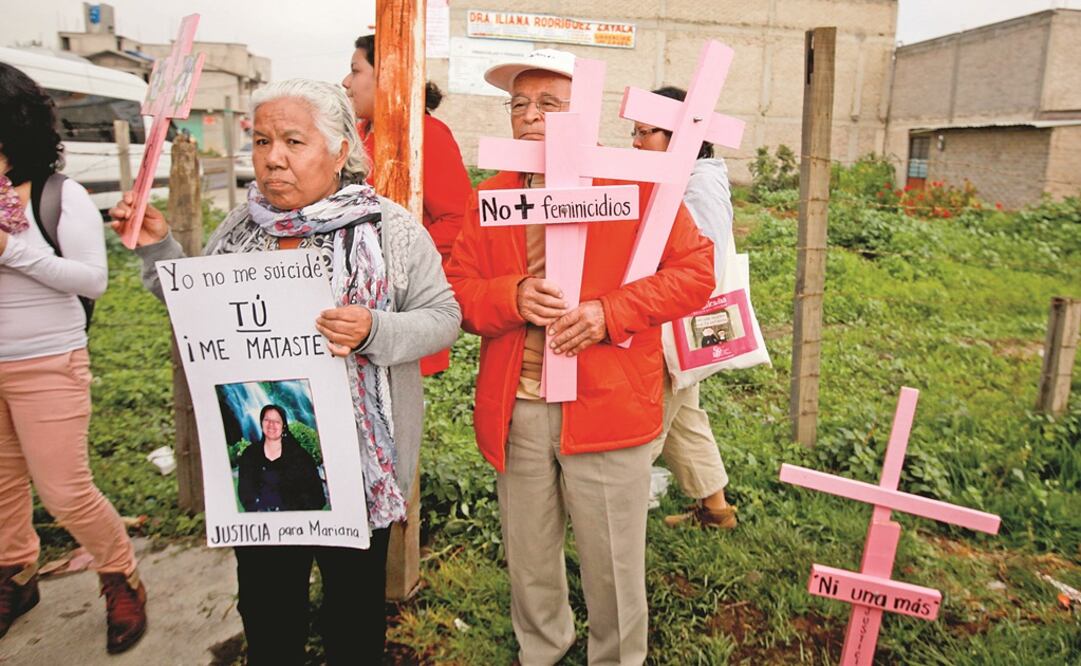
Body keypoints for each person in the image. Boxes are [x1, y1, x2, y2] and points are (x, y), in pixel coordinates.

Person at [110, 78, 460, 664]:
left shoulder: (390, 229)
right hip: (262, 470)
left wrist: (375, 329)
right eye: (264, 141)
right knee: (270, 615)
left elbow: (444, 317)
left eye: (294, 141)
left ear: (340, 149)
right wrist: (159, 248)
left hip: (359, 471)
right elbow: (200, 313)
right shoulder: (242, 230)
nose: (274, 158)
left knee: (353, 617)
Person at [446, 50, 715, 665]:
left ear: (585, 117)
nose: (530, 117)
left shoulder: (638, 188)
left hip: (608, 405)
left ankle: (617, 657)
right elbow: (457, 290)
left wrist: (607, 313)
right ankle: (541, 646)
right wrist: (509, 295)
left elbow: (695, 273)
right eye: (519, 104)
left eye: (548, 105)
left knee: (614, 557)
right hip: (518, 406)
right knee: (529, 551)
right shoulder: (490, 196)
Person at [0, 62, 147, 654]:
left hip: (46, 362)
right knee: (3, 485)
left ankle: (120, 574)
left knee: (65, 491)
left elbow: (92, 280)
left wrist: (13, 251)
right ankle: (16, 573)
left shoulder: (62, 195)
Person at [632, 85, 738, 530]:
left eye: (645, 133)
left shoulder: (700, 184)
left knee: (645, 424)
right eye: (634, 133)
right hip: (678, 326)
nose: (635, 143)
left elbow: (700, 262)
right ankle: (716, 512)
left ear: (679, 135)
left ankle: (619, 517)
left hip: (677, 325)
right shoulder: (685, 177)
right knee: (686, 419)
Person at [343, 33, 473, 375]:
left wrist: (395, 261)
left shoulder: (427, 134)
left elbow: (458, 221)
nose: (346, 82)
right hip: (353, 313)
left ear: (386, 75)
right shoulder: (359, 132)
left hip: (401, 309)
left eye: (355, 71)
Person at [236, 405, 326, 513]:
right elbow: (245, 491)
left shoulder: (300, 457)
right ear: (261, 423)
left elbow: (316, 495)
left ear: (283, 426)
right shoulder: (250, 455)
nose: (271, 425)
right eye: (267, 420)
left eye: (277, 421)